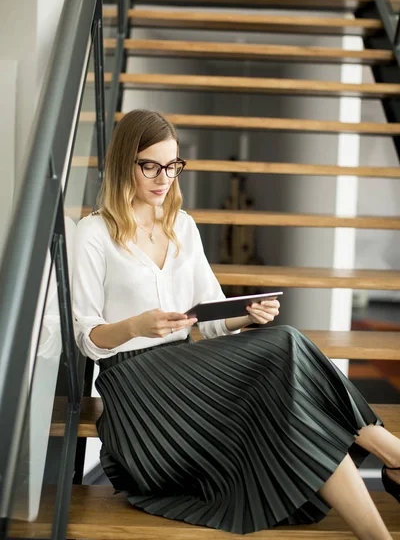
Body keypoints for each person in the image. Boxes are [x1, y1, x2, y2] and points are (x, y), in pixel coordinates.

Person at [73, 109, 399, 539]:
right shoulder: (93, 233)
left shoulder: (181, 227)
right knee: (285, 343)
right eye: (150, 165)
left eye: (172, 165)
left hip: (187, 368)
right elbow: (86, 336)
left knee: (294, 403)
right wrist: (135, 326)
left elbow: (207, 316)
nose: (163, 177)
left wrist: (244, 316)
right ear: (122, 165)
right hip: (135, 386)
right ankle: (389, 451)